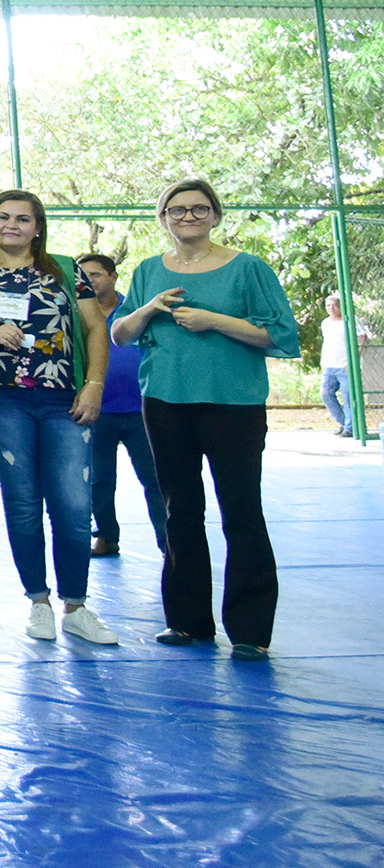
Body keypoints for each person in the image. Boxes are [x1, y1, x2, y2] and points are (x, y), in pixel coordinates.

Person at [112, 179, 300, 660]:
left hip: (232, 404)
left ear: (216, 215)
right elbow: (120, 333)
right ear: (163, 218)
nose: (188, 217)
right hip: (165, 401)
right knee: (179, 510)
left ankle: (250, 630)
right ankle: (187, 621)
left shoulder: (248, 268)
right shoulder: (149, 270)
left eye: (199, 209)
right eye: (177, 210)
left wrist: (213, 320)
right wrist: (149, 308)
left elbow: (279, 334)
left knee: (242, 511)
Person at [0, 191, 117, 645]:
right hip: (1, 400)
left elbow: (95, 328)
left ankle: (76, 606)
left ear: (38, 227)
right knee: (23, 501)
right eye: (3, 217)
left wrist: (94, 384)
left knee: (73, 503)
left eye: (23, 219)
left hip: (64, 398)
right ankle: (39, 603)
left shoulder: (66, 271)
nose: (12, 225)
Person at [76, 253, 167, 557]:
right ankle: (105, 536)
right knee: (99, 480)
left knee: (156, 479)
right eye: (83, 275)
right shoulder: (76, 314)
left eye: (96, 274)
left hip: (142, 410)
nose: (89, 280)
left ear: (113, 277)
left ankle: (169, 543)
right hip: (96, 412)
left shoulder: (134, 311)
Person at [321, 293, 371, 438]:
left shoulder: (350, 320)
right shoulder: (326, 323)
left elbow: (362, 339)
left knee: (348, 397)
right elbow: (327, 343)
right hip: (329, 365)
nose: (331, 308)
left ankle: (350, 428)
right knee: (326, 394)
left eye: (334, 305)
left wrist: (353, 361)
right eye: (328, 306)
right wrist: (323, 361)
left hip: (345, 365)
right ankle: (344, 423)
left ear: (340, 306)